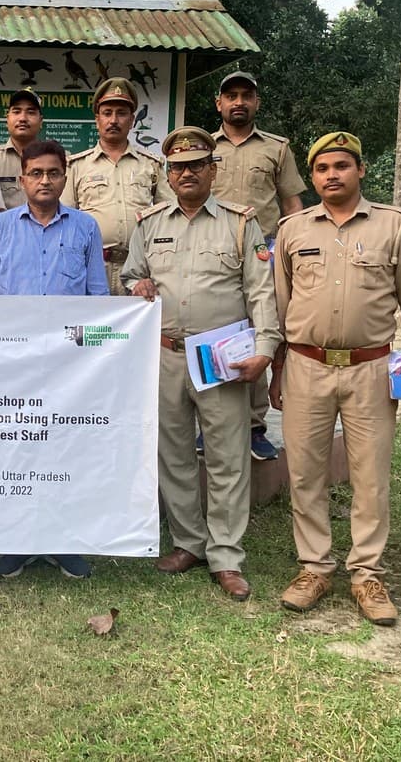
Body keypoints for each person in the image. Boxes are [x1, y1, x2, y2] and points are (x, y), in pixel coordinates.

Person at [270, 131, 401, 626]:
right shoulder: (292, 229)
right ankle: (314, 567)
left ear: (360, 170)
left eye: (341, 166)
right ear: (313, 176)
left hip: (369, 367)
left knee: (370, 475)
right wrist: (277, 369)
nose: (331, 175)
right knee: (304, 473)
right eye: (321, 169)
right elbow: (280, 308)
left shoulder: (393, 225)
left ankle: (366, 573)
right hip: (305, 365)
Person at [121, 126, 278, 601]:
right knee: (173, 455)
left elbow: (260, 290)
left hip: (221, 360)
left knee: (228, 457)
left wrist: (265, 348)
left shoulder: (239, 222)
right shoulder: (150, 224)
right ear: (168, 173)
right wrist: (135, 286)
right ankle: (189, 542)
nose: (186, 173)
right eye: (178, 167)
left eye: (195, 165)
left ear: (213, 170)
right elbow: (132, 273)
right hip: (166, 355)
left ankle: (226, 554)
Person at [0, 138, 107, 579]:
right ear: (22, 179)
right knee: (16, 452)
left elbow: (97, 300)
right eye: (36, 173)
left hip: (69, 367)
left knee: (65, 452)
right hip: (15, 363)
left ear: (65, 177)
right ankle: (18, 541)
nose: (45, 181)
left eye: (53, 173)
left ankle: (62, 540)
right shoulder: (1, 228)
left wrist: (93, 363)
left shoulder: (86, 228)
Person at [211, 72, 307, 463]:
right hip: (211, 256)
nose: (238, 102)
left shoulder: (276, 149)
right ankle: (211, 424)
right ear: (218, 103)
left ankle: (253, 427)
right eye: (230, 96)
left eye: (245, 96)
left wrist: (292, 255)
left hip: (262, 255)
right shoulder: (203, 147)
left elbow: (292, 207)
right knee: (212, 336)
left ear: (257, 103)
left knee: (259, 336)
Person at [62, 77, 173, 295]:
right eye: (107, 113)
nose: (114, 120)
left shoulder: (151, 164)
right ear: (97, 120)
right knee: (90, 327)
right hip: (90, 267)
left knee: (134, 329)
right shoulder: (77, 166)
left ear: (132, 120)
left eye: (121, 113)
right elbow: (65, 221)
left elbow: (167, 216)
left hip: (139, 270)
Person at [0, 87, 43, 211]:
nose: (23, 118)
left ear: (41, 121)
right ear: (7, 119)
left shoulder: (59, 160)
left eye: (31, 112)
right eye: (16, 112)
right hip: (3, 230)